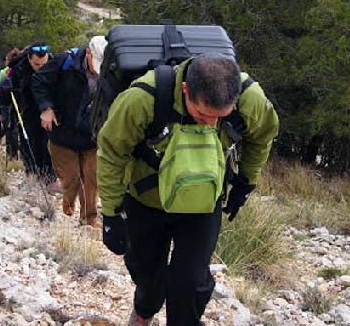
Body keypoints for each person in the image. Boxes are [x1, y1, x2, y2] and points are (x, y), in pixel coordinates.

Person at [97, 54, 279, 326]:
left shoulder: (250, 99)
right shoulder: (142, 99)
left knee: (191, 281)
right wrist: (112, 214)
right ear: (185, 91)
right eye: (203, 115)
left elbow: (262, 138)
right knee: (146, 273)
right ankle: (144, 310)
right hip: (148, 200)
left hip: (203, 203)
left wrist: (246, 181)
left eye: (221, 117)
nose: (210, 124)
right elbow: (112, 152)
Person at [32, 36, 107, 228]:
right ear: (88, 53)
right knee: (72, 178)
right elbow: (39, 81)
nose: (96, 70)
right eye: (95, 63)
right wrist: (46, 108)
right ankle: (68, 198)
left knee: (92, 178)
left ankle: (89, 218)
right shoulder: (64, 62)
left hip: (91, 135)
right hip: (63, 134)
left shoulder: (110, 70)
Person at [0, 42, 55, 183]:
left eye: (43, 64)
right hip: (27, 112)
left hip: (49, 111)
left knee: (48, 144)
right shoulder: (18, 69)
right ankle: (32, 175)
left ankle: (50, 177)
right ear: (29, 58)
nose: (40, 68)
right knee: (29, 144)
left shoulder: (54, 64)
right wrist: (3, 90)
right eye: (36, 64)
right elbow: (4, 96)